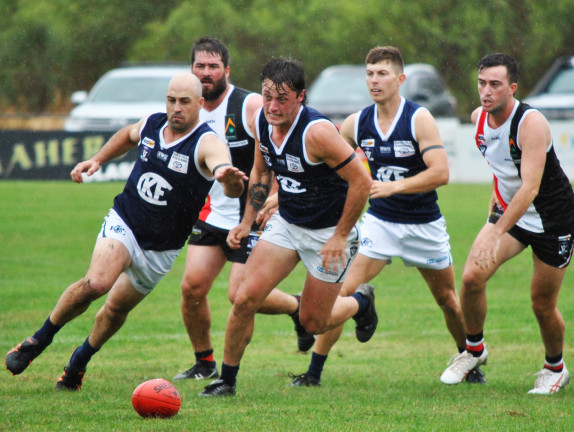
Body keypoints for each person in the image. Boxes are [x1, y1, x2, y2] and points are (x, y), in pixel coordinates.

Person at [5, 72, 247, 391]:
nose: (176, 108)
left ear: (200, 104)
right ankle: (38, 340)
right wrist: (97, 159)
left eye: (184, 102)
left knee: (116, 309)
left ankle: (79, 361)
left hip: (161, 248)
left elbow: (227, 177)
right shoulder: (152, 123)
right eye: (171, 100)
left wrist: (229, 180)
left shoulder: (208, 142)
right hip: (126, 221)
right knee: (96, 283)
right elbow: (128, 135)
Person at [289, 46, 484, 388]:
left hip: (424, 224)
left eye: (382, 73)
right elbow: (326, 164)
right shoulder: (356, 122)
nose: (374, 81)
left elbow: (441, 172)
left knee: (447, 300)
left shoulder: (418, 118)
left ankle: (469, 361)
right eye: (369, 74)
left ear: (400, 79)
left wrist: (395, 187)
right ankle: (314, 372)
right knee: (342, 292)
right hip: (379, 223)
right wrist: (281, 195)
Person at [199, 57, 374, 397]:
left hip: (328, 232)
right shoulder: (260, 122)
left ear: (301, 97)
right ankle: (226, 381)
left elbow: (362, 182)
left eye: (282, 99)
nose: (273, 106)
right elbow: (262, 172)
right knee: (244, 298)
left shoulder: (317, 133)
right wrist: (246, 222)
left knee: (313, 322)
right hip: (288, 223)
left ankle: (361, 303)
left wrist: (340, 236)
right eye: (267, 97)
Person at [173, 38, 314, 382]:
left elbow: (276, 150)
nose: (206, 73)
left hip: (249, 213)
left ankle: (296, 308)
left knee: (240, 294)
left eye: (213, 66)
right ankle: (204, 362)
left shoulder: (249, 105)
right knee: (191, 289)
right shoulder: (186, 108)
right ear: (191, 69)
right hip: (211, 212)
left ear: (227, 70)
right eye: (200, 66)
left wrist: (275, 197)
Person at [440, 53, 574, 394]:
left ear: (512, 87)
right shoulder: (478, 118)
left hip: (552, 221)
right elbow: (500, 165)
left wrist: (495, 231)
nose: (486, 91)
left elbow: (530, 187)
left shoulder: (531, 123)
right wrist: (495, 204)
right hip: (511, 214)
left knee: (541, 303)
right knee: (471, 278)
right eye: (481, 83)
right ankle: (474, 350)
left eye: (495, 84)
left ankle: (555, 368)